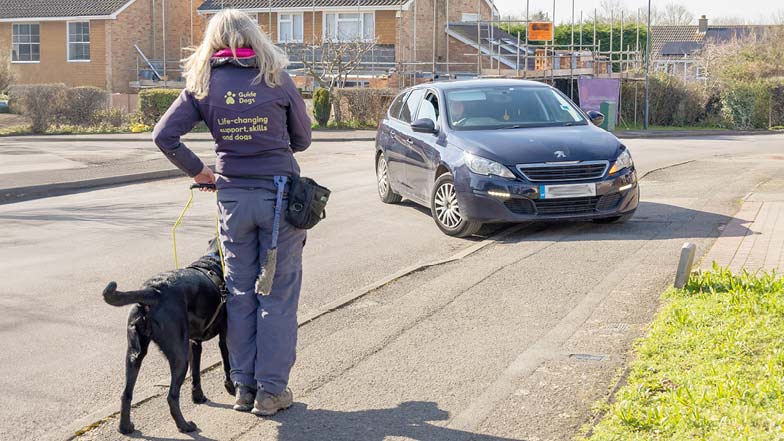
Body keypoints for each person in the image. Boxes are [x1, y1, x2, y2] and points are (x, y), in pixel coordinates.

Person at [152, 8, 311, 417]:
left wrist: (201, 171)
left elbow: (164, 135)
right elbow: (303, 139)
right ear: (254, 37)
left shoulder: (203, 82)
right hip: (279, 201)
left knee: (239, 292)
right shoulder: (275, 76)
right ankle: (271, 393)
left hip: (232, 200)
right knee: (276, 295)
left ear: (214, 41)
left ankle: (243, 387)